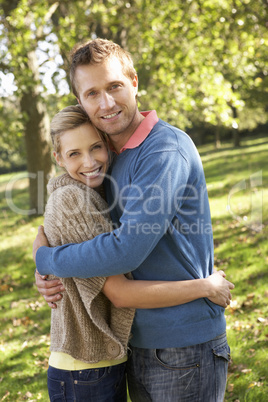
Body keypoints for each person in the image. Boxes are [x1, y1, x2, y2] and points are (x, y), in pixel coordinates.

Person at [33, 38, 234, 401]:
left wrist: (48, 259)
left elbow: (126, 251)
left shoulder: (163, 151)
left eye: (114, 86)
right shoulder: (110, 156)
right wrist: (44, 249)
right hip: (134, 346)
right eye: (92, 93)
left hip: (184, 348)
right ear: (80, 101)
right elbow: (76, 222)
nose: (106, 103)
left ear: (135, 82)